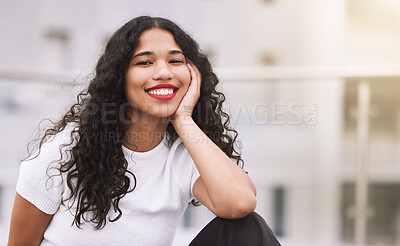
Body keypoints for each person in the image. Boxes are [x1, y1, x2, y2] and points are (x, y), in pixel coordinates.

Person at [8, 16, 281, 246]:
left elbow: (240, 203)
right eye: (144, 62)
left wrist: (183, 119)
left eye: (175, 61)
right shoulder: (65, 150)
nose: (163, 72)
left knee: (246, 228)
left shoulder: (182, 155)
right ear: (119, 78)